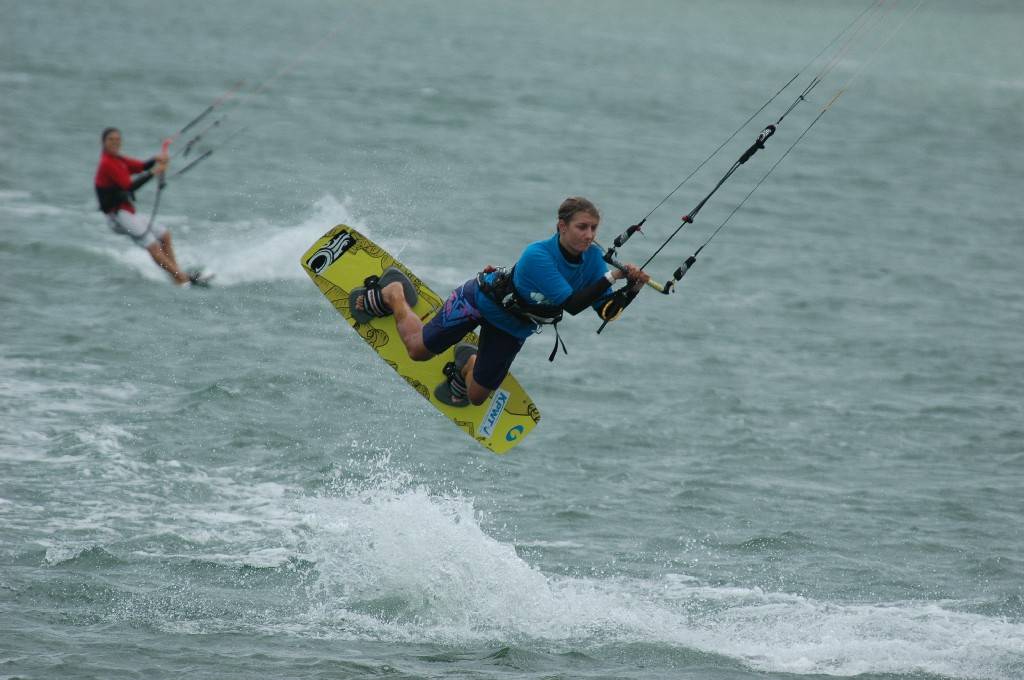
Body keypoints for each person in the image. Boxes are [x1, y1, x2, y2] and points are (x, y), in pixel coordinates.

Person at [353, 196, 650, 406]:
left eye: (593, 228)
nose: (589, 235)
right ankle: (394, 294)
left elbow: (606, 312)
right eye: (582, 227)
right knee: (417, 350)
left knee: (476, 397)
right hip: (480, 301)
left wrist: (632, 289)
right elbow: (572, 305)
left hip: (514, 326)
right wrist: (614, 276)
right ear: (562, 226)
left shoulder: (594, 260)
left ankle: (468, 360)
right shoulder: (538, 255)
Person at [93, 127, 192, 286]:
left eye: (117, 139)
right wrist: (155, 172)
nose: (115, 142)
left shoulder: (119, 160)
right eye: (111, 140)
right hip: (117, 216)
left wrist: (156, 159)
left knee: (165, 235)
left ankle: (178, 276)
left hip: (127, 212)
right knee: (153, 246)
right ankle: (181, 279)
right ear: (103, 142)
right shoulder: (107, 164)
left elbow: (140, 166)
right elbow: (129, 187)